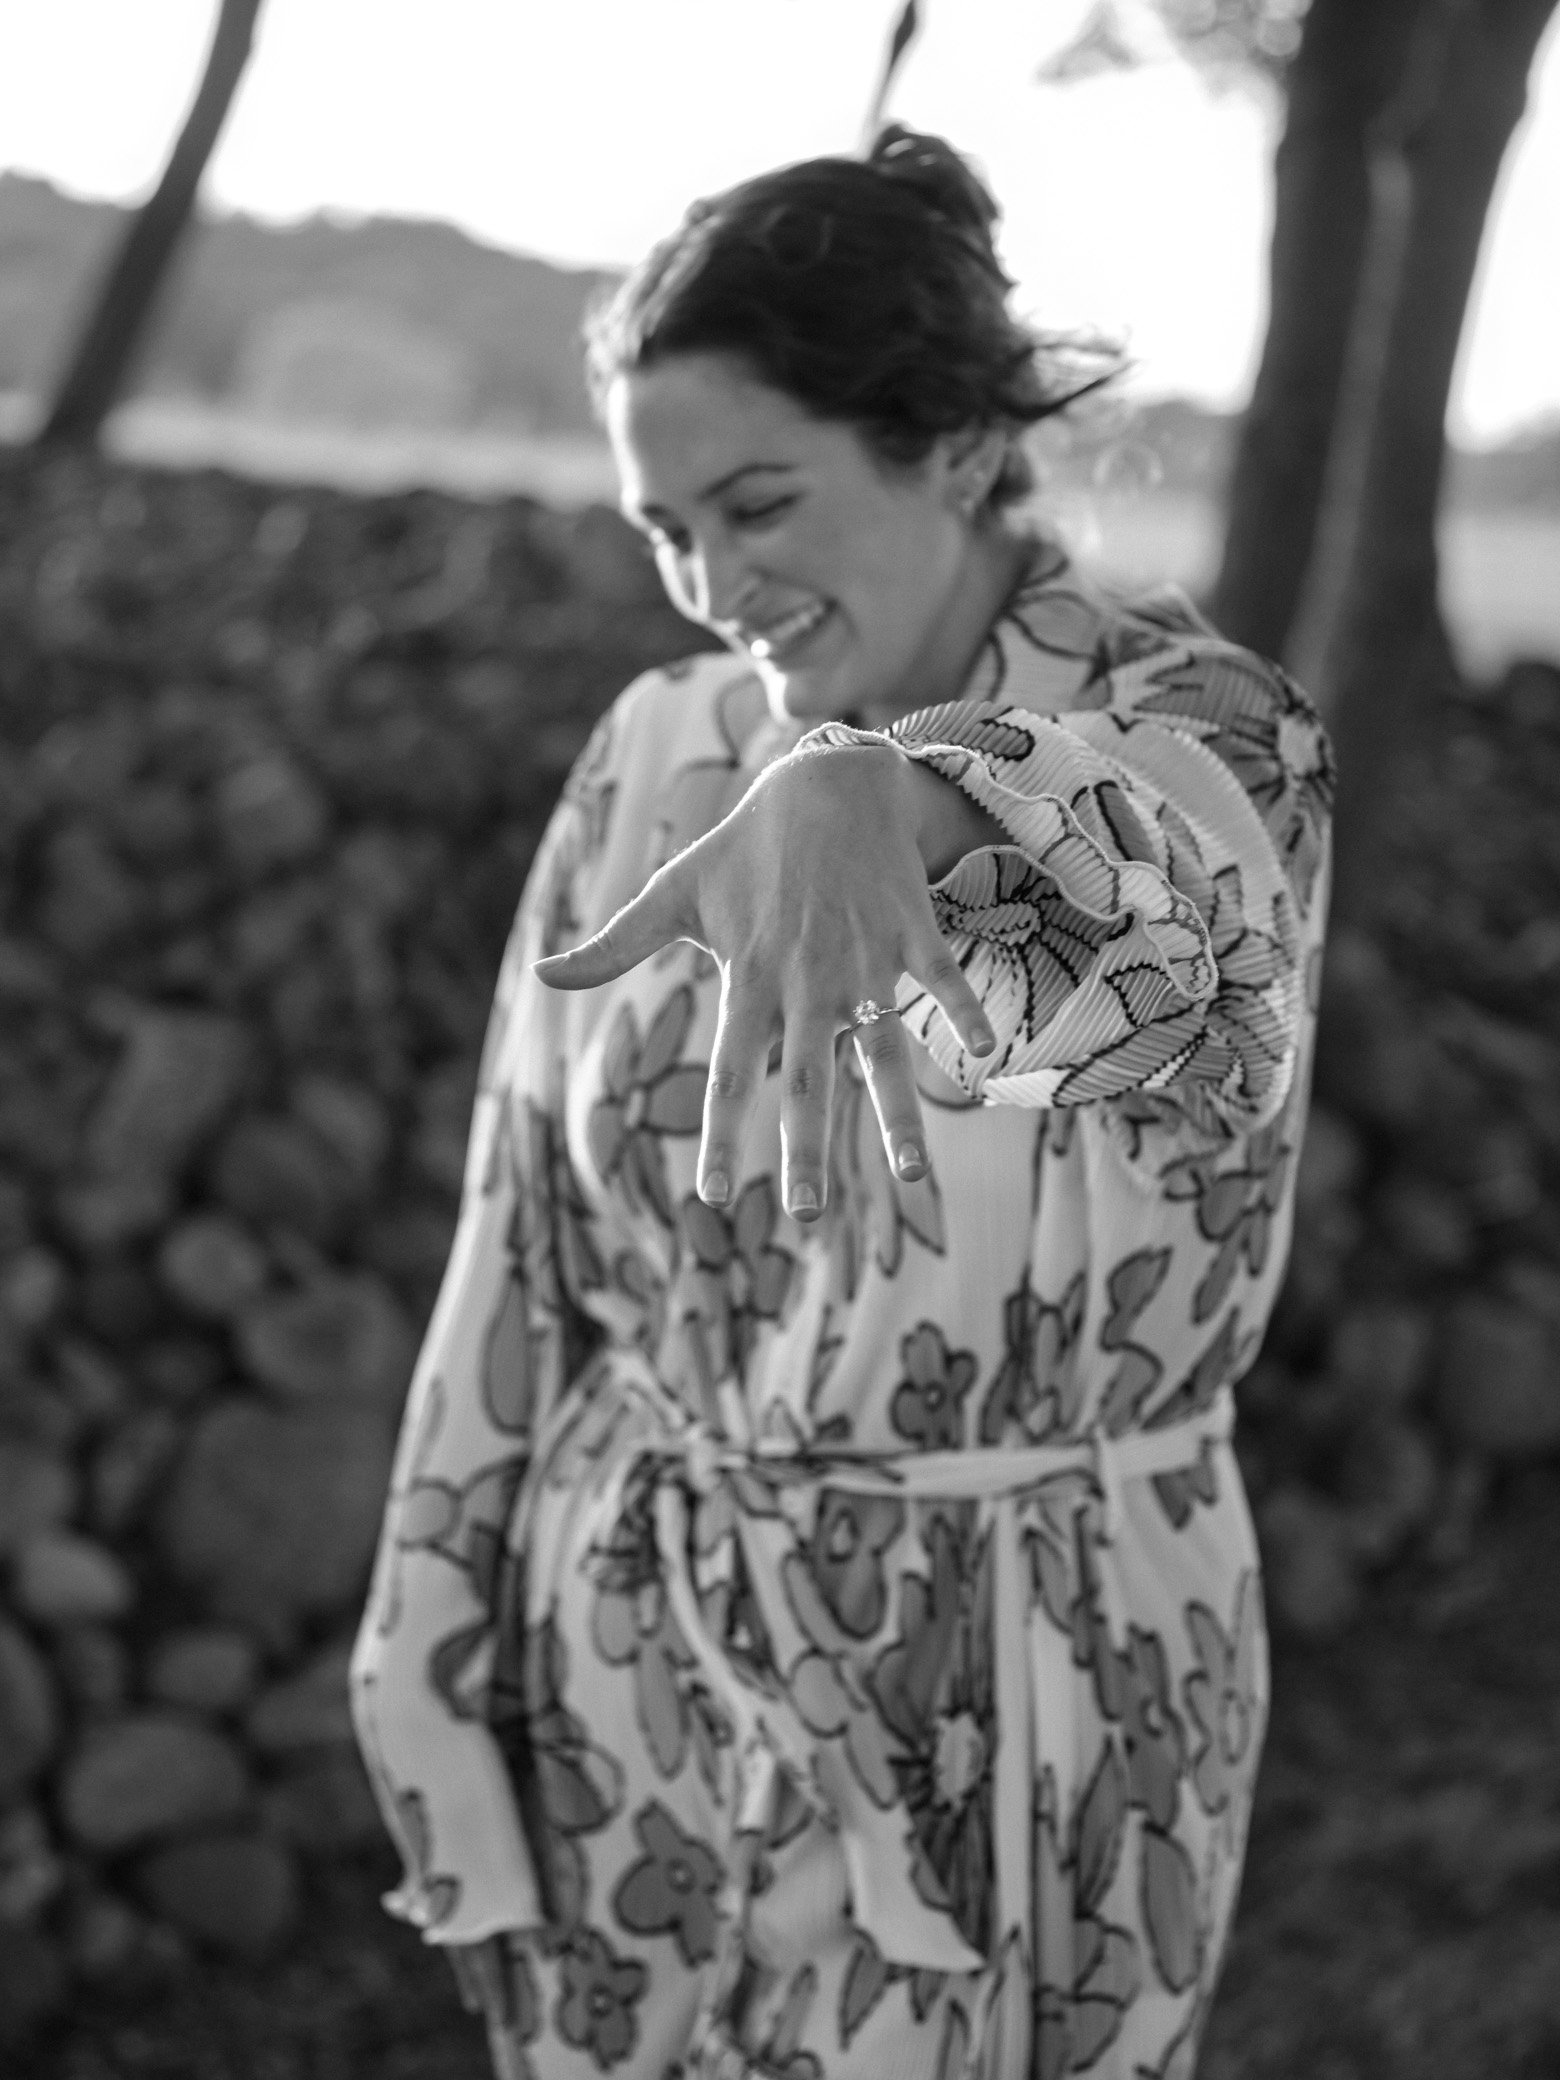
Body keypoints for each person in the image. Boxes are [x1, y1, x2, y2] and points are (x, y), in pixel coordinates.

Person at [350, 126, 1333, 2080]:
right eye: (666, 529)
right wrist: (430, 1677)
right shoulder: (656, 748)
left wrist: (900, 793)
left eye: (759, 501)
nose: (716, 585)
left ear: (955, 445)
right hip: (625, 1670)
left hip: (1017, 1705)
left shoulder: (1215, 733)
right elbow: (516, 1241)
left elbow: (1183, 925)